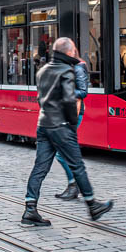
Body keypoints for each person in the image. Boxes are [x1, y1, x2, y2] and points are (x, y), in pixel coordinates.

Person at [21, 37, 113, 227]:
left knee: (40, 167)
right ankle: (92, 205)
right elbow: (70, 100)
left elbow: (40, 99)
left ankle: (30, 209)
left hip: (43, 124)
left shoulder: (43, 70)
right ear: (68, 52)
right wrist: (71, 123)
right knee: (77, 165)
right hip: (61, 125)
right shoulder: (66, 71)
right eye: (72, 51)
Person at [54, 56, 89, 201]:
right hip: (65, 112)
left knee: (62, 154)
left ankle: (75, 184)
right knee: (63, 153)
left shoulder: (78, 68)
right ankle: (74, 184)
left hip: (73, 113)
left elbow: (83, 91)